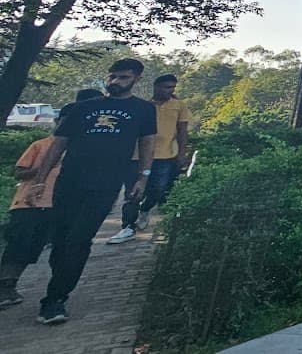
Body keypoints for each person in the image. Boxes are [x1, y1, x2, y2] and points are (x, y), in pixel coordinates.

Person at [24, 58, 157, 325]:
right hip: (69, 182)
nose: (116, 82)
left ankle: (55, 299)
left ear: (136, 79)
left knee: (79, 240)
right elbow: (58, 145)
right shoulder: (81, 109)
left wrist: (143, 178)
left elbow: (147, 144)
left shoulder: (143, 110)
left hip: (105, 186)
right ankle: (58, 282)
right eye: (113, 77)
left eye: (123, 78)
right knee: (60, 241)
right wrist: (40, 180)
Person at [0, 89, 103, 308]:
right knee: (19, 246)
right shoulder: (40, 145)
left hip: (60, 205)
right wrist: (45, 169)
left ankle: (51, 294)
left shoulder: (87, 148)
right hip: (29, 204)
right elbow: (19, 172)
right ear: (57, 121)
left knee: (49, 248)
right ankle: (5, 287)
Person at [109, 73, 189, 243]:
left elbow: (182, 131)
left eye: (173, 88)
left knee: (158, 189)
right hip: (137, 155)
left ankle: (145, 208)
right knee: (132, 191)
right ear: (157, 87)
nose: (170, 91)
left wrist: (182, 153)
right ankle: (128, 226)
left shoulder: (179, 106)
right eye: (167, 87)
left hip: (165, 154)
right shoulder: (144, 106)